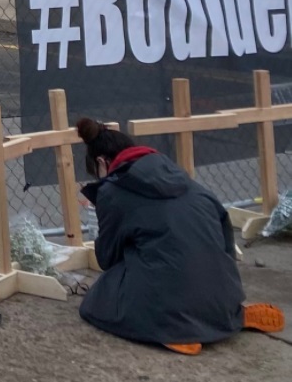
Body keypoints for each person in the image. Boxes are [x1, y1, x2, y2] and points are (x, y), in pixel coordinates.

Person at [76, 117, 284, 355]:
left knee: (96, 299)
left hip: (171, 303)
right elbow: (226, 241)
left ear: (102, 162)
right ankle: (231, 314)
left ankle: (172, 330)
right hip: (224, 292)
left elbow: (107, 258)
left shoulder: (112, 192)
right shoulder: (188, 182)